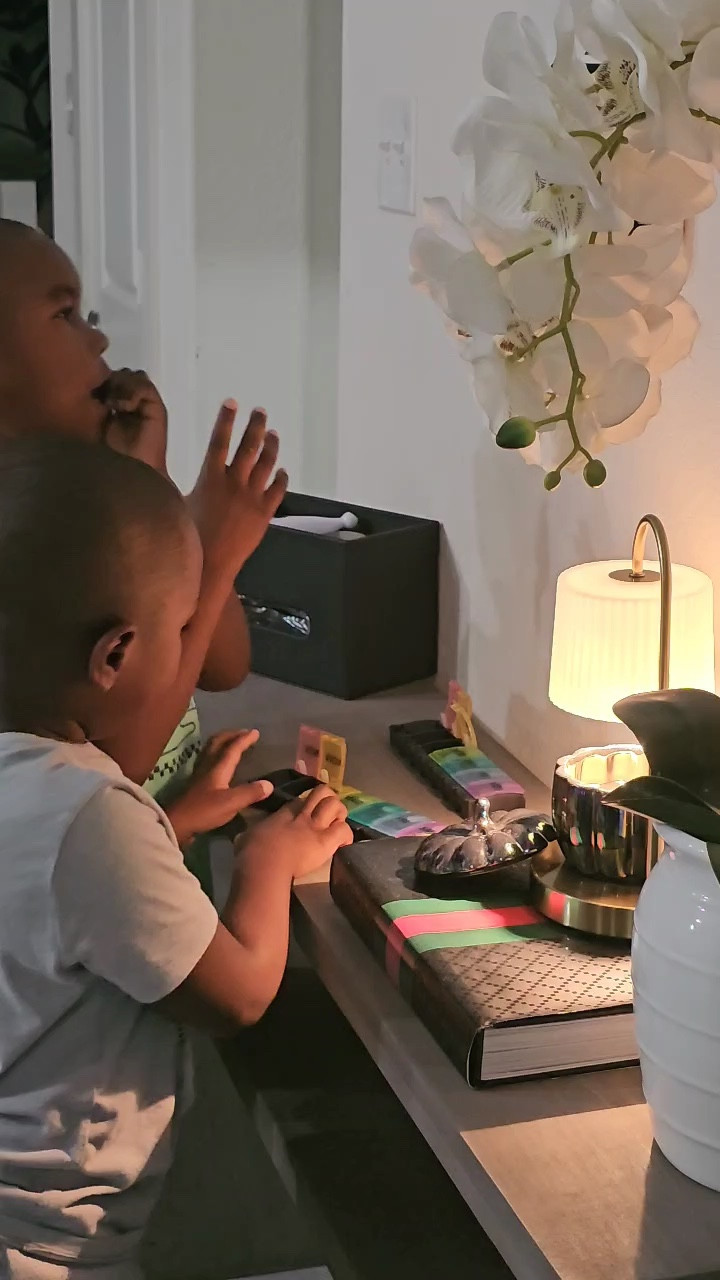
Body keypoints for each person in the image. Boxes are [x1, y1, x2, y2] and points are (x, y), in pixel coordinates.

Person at [0, 435, 352, 1280]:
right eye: (182, 622)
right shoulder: (90, 815)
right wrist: (269, 859)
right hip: (49, 1244)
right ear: (116, 656)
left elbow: (45, 897)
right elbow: (237, 995)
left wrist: (165, 825)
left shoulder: (51, 795)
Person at [0, 217, 280, 894]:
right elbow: (110, 767)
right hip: (107, 895)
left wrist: (151, 481)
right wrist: (217, 552)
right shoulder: (26, 542)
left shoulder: (86, 488)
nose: (98, 339)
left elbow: (224, 666)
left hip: (148, 854)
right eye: (64, 314)